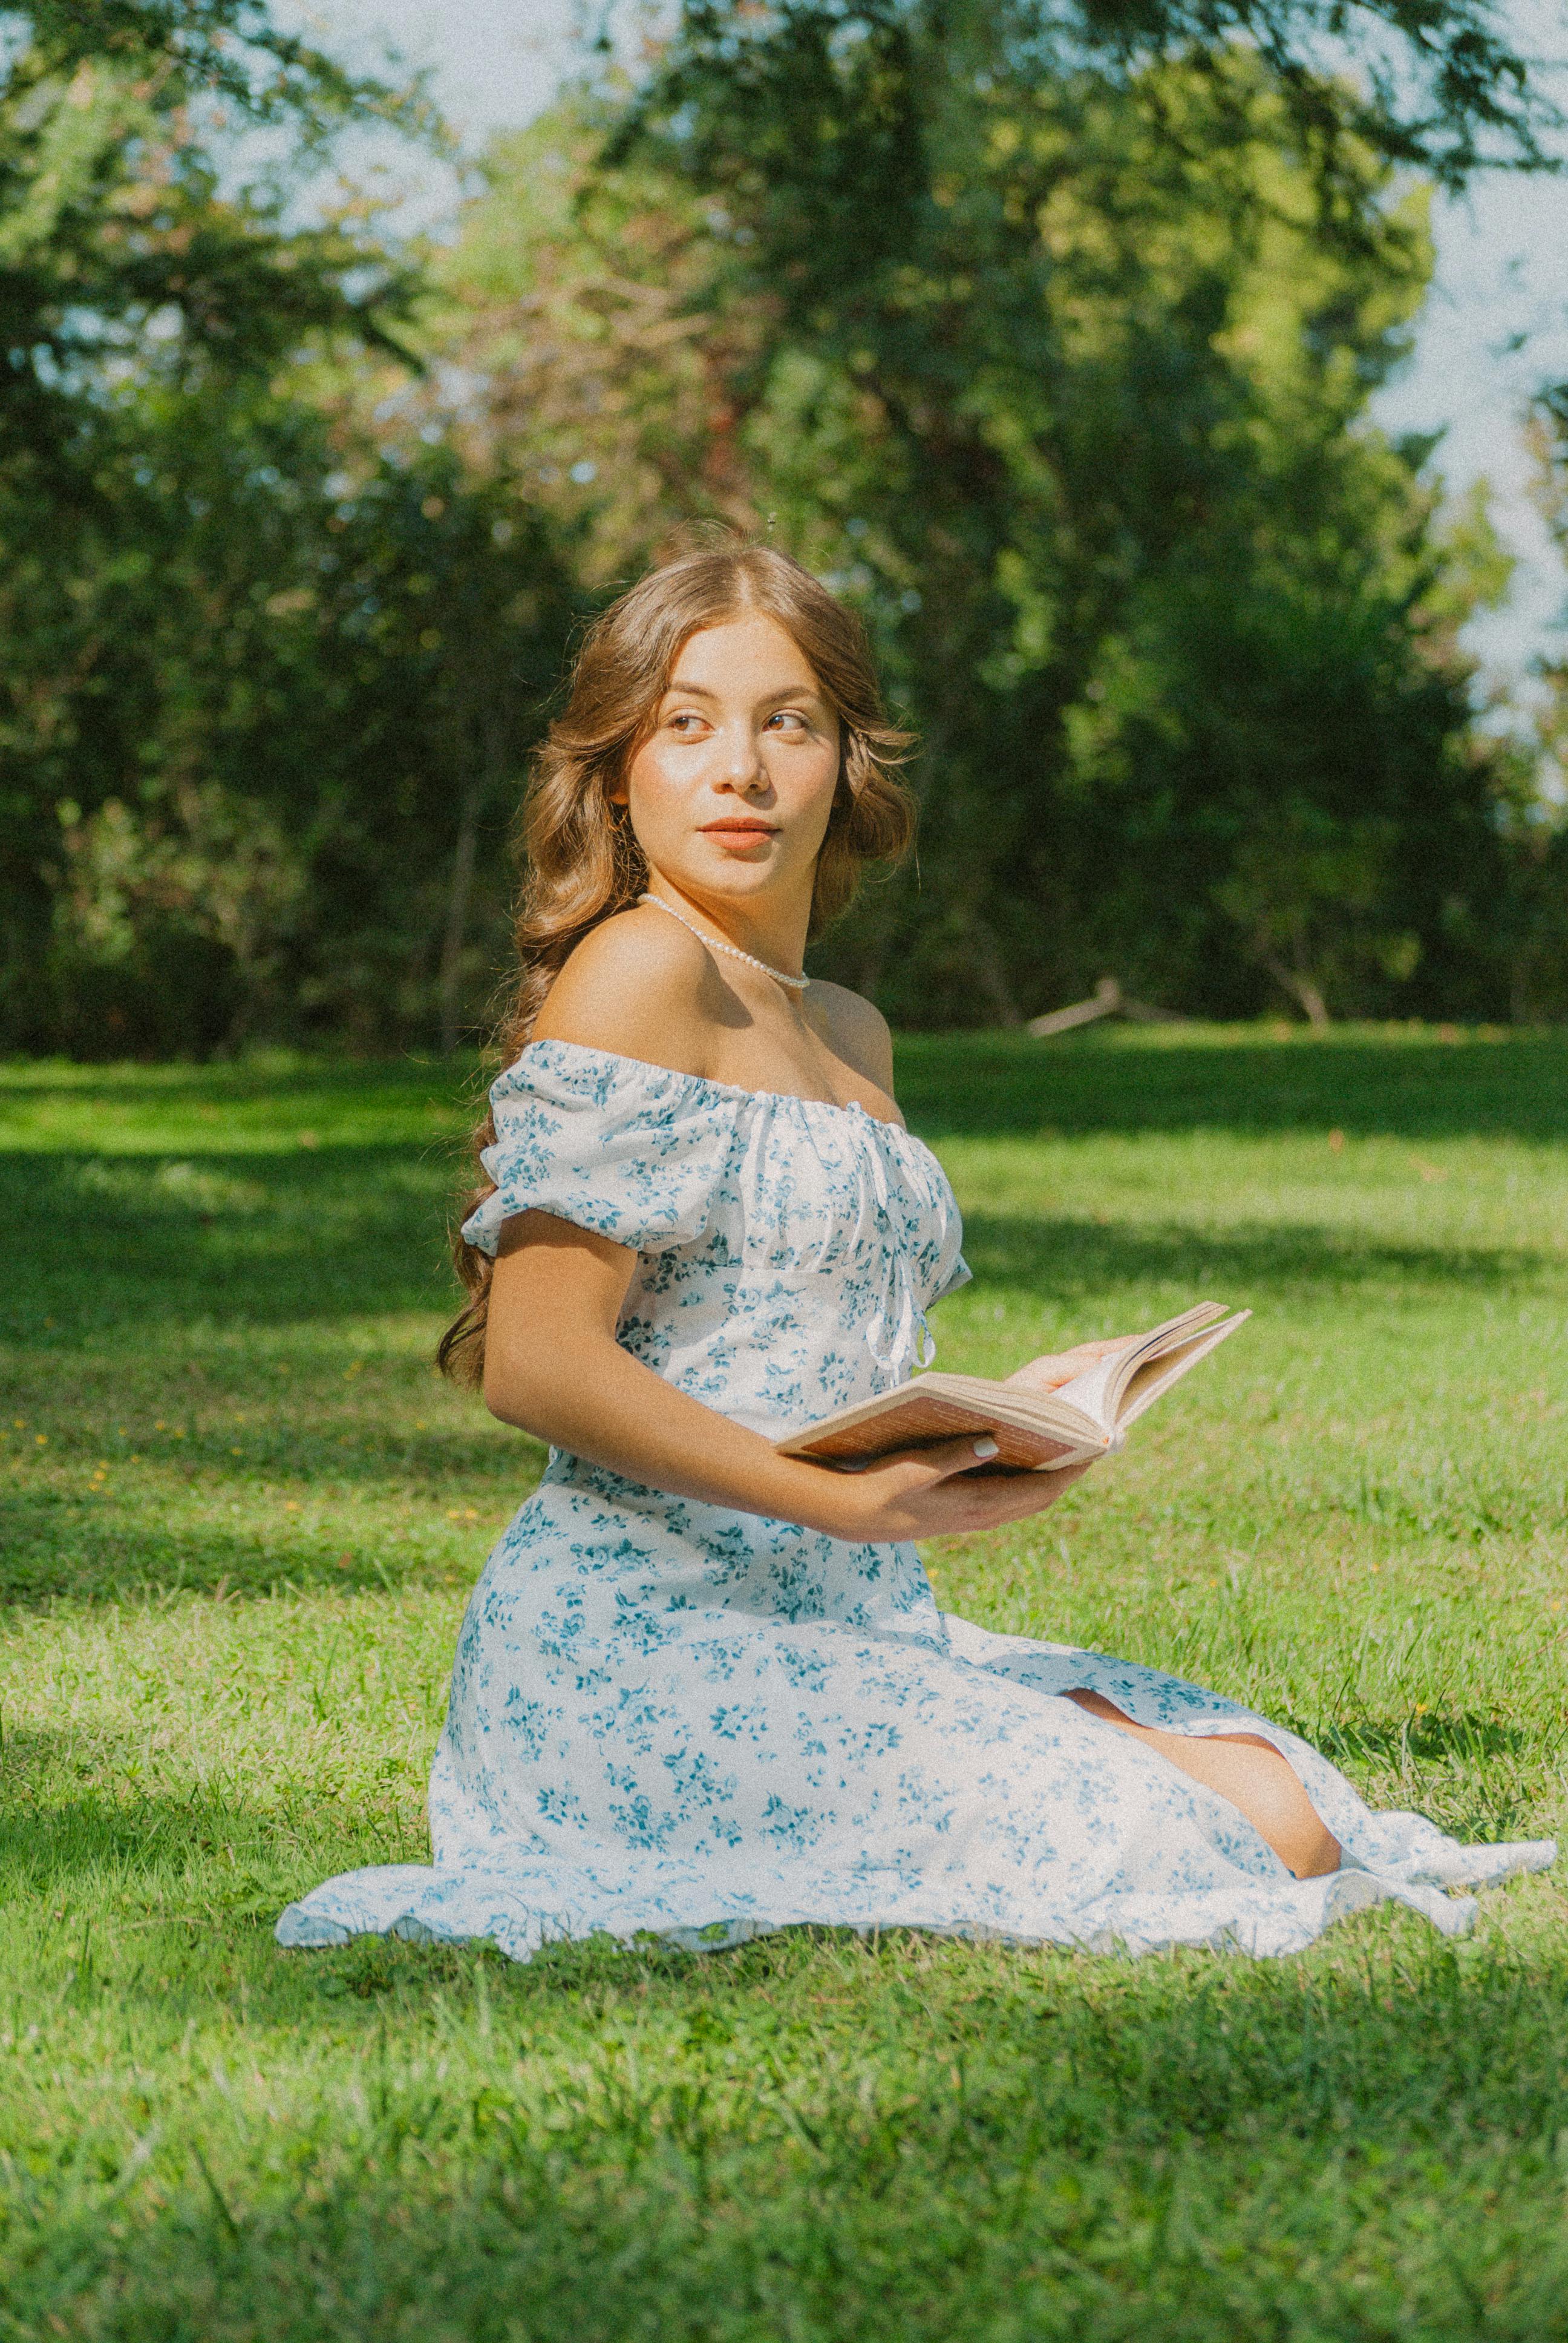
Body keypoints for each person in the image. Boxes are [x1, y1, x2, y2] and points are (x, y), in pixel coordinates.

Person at [278, 542, 1552, 1964]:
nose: (741, 770)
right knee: (1189, 1837)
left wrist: (1017, 1417)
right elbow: (537, 1362)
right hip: (641, 1643)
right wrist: (832, 1505)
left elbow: (794, 1346)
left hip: (856, 1619)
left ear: (846, 765)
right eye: (687, 723)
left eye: (790, 722)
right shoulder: (641, 968)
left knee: (1281, 1796)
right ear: (621, 769)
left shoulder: (851, 1029)